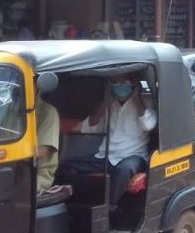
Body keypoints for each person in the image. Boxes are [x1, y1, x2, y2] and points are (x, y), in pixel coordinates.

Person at [71, 74, 157, 208]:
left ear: (134, 85)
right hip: (105, 156)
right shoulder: (111, 106)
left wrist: (137, 99)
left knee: (124, 170)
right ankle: (77, 205)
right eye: (116, 82)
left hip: (133, 156)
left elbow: (149, 125)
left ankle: (109, 209)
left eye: (125, 81)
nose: (120, 85)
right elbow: (90, 127)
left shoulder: (146, 104)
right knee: (69, 167)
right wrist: (105, 103)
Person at [35, 96, 60, 193]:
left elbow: (41, 152)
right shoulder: (7, 110)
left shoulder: (48, 112)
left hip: (36, 175)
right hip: (6, 171)